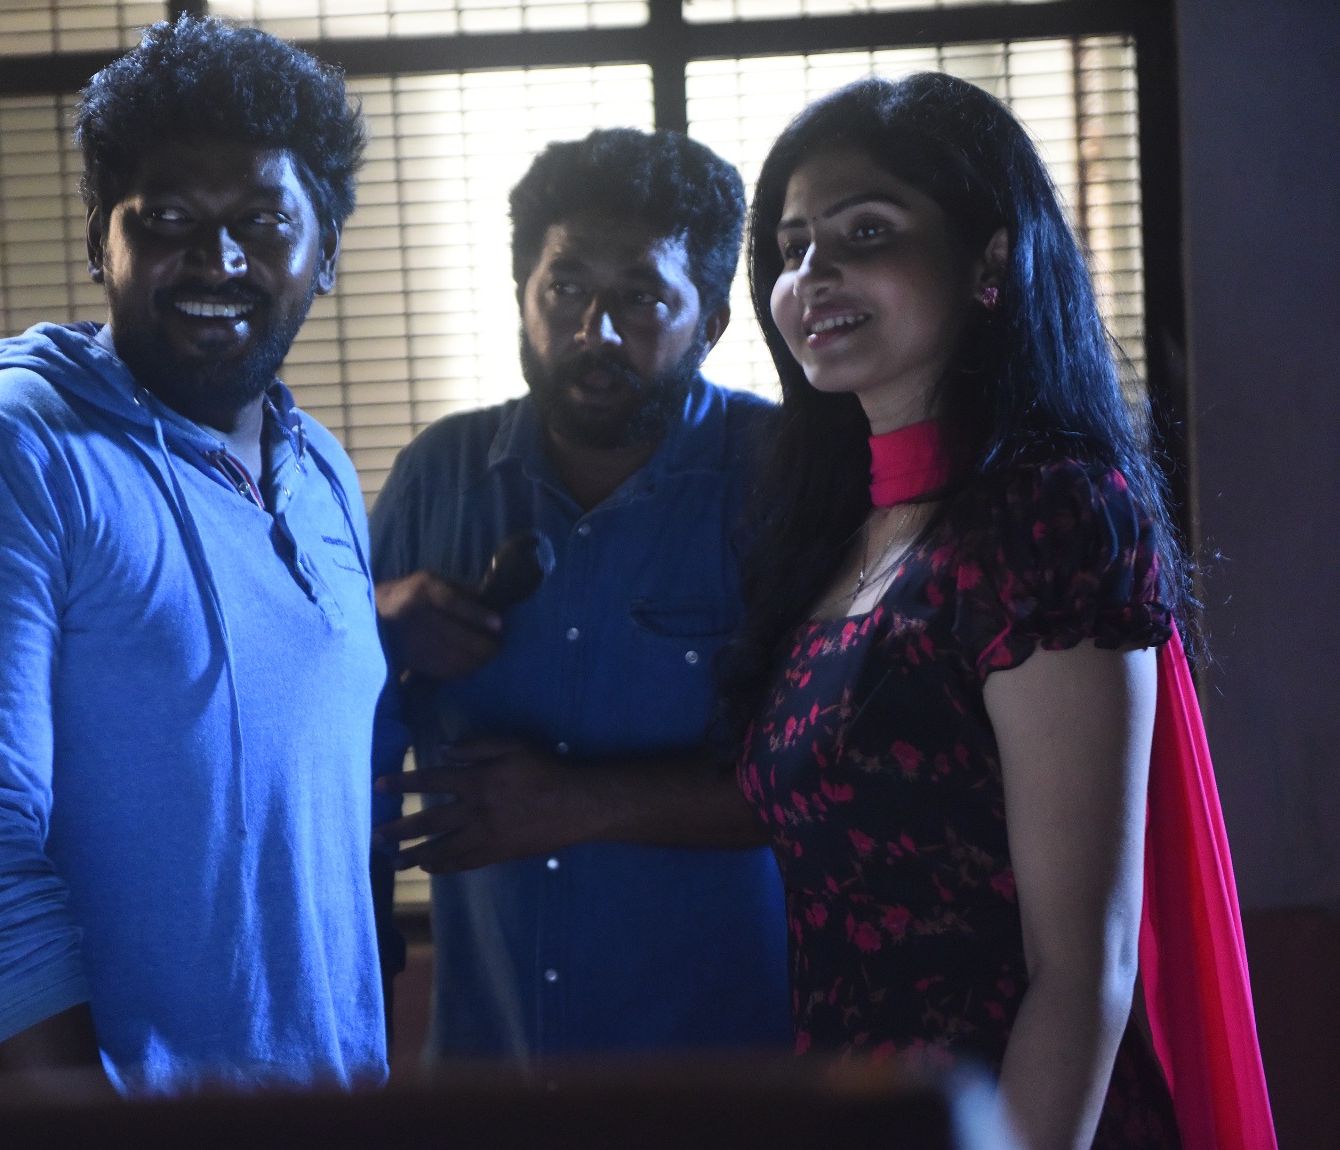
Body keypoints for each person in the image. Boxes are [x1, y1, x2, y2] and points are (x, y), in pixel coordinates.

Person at [727, 73, 1274, 1149]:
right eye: (791, 248)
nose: (811, 274)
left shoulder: (1048, 519)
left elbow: (1082, 970)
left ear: (990, 260)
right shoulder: (835, 537)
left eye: (865, 231)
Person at [0, 17, 386, 1097]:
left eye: (262, 221)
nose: (218, 258)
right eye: (168, 219)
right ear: (99, 241)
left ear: (325, 250)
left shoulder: (322, 469)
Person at [370, 129, 791, 1062]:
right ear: (523, 298)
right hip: (490, 1072)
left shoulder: (783, 478)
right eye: (565, 290)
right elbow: (334, 744)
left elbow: (836, 783)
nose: (595, 330)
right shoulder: (438, 476)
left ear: (713, 321)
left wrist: (584, 803)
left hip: (735, 1085)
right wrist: (375, 627)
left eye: (642, 297)